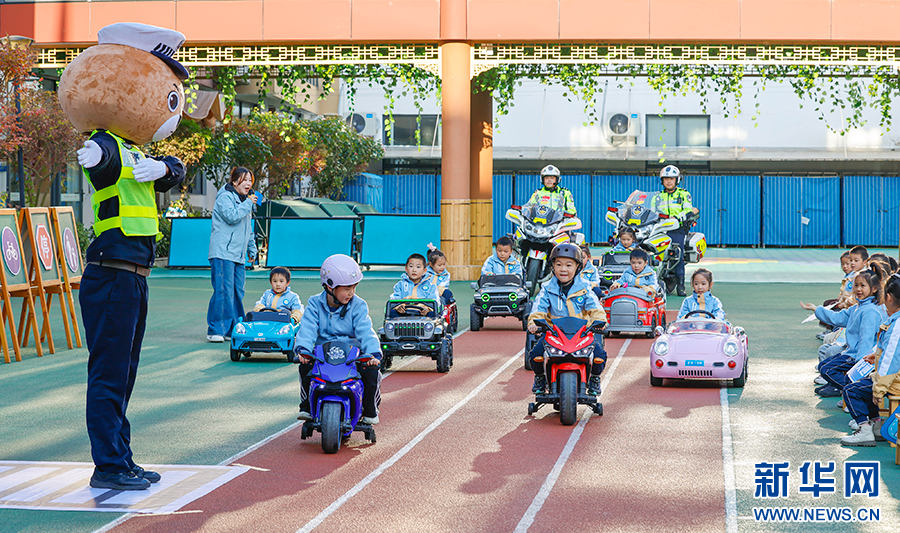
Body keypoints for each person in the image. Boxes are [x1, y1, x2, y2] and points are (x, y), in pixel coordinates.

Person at [64, 23, 189, 491]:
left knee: (125, 373)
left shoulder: (136, 151)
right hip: (112, 274)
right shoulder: (107, 144)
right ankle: (109, 465)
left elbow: (174, 171)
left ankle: (122, 457)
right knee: (110, 373)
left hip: (133, 276)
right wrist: (96, 156)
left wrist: (164, 166)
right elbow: (101, 159)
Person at [294, 254, 382, 424]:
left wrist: (373, 353)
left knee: (371, 372)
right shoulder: (314, 304)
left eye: (354, 287)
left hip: (351, 354)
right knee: (305, 368)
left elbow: (366, 330)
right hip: (323, 353)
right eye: (347, 288)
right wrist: (303, 350)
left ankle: (370, 409)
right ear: (330, 287)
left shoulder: (358, 305)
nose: (351, 292)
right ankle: (306, 406)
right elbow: (307, 328)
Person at [527, 244, 607, 396]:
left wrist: (600, 321)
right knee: (535, 355)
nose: (563, 269)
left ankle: (595, 378)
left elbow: (595, 306)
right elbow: (539, 307)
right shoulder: (547, 288)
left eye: (568, 265)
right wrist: (534, 323)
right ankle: (540, 378)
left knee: (599, 356)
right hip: (554, 333)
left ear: (578, 267)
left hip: (581, 334)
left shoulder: (585, 287)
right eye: (559, 265)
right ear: (552, 266)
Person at [840, 273, 900, 446]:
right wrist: (876, 356)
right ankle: (876, 424)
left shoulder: (897, 324)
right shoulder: (895, 320)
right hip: (893, 377)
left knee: (851, 391)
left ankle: (864, 429)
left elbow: (890, 361)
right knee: (864, 384)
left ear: (888, 297)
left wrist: (879, 389)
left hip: (894, 381)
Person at [815, 264, 888, 398]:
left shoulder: (870, 311)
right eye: (856, 285)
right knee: (823, 365)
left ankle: (851, 391)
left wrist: (859, 364)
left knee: (827, 369)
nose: (858, 289)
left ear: (874, 289)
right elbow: (838, 318)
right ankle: (846, 389)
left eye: (863, 286)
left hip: (861, 356)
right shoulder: (858, 307)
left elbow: (866, 339)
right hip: (851, 352)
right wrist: (817, 310)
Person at [207, 167, 258, 342]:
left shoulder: (245, 201)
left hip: (238, 256)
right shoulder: (225, 197)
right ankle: (215, 330)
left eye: (250, 180)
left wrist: (252, 249)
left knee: (237, 292)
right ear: (235, 181)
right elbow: (231, 216)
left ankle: (233, 329)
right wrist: (248, 203)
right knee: (223, 291)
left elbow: (248, 228)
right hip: (223, 253)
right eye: (245, 180)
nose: (249, 184)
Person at [650, 165, 696, 296]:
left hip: (676, 228)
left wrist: (676, 218)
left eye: (672, 178)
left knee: (678, 255)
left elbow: (688, 210)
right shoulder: (657, 197)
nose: (669, 181)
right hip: (659, 228)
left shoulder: (683, 194)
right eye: (666, 179)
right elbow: (651, 212)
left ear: (677, 180)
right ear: (662, 181)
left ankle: (680, 286)